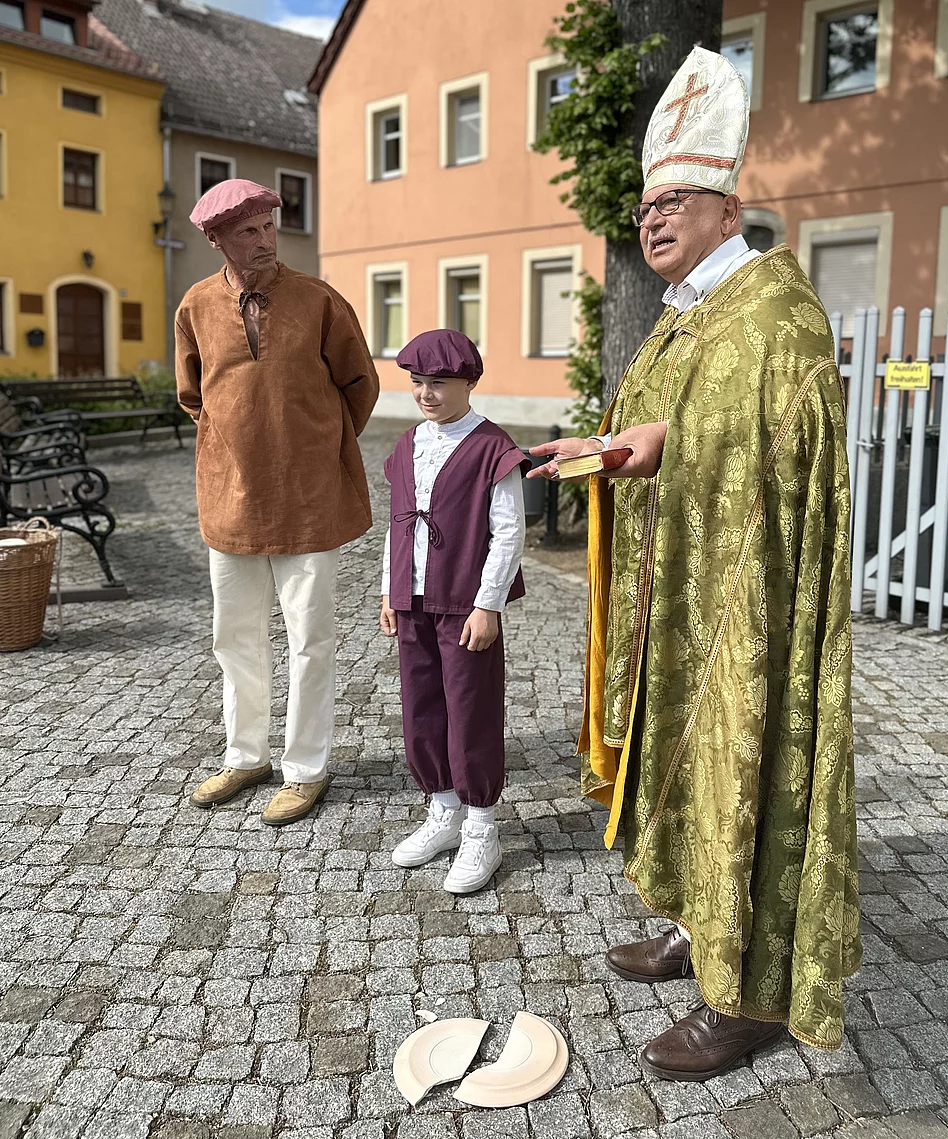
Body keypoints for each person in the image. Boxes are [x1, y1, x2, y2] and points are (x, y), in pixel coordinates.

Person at [529, 48, 860, 1077]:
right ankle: (693, 924)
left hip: (743, 607)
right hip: (675, 591)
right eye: (642, 207)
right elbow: (688, 426)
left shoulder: (772, 309)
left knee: (739, 774)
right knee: (681, 769)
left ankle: (748, 986)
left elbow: (774, 451)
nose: (653, 218)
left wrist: (670, 442)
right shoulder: (690, 314)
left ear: (727, 208)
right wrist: (620, 445)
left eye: (676, 200)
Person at [177, 178, 379, 827]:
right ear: (216, 239)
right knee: (233, 636)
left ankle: (306, 768)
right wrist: (233, 445)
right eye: (247, 231)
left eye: (269, 226)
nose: (263, 240)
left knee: (310, 638)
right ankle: (246, 755)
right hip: (230, 497)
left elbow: (360, 385)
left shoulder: (319, 301)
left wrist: (313, 447)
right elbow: (191, 395)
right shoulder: (196, 306)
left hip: (309, 498)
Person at [380, 330, 528, 893]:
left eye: (439, 383)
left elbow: (508, 531)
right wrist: (390, 592)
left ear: (469, 381)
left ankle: (481, 826)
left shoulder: (493, 447)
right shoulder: (406, 446)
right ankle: (442, 810)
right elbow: (396, 525)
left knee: (471, 710)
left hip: (464, 603)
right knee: (421, 708)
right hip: (413, 601)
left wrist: (488, 604)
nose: (426, 393)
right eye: (418, 383)